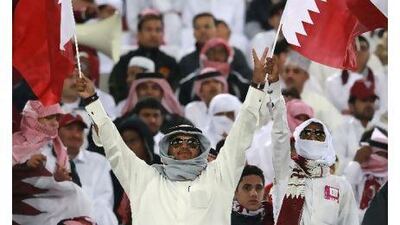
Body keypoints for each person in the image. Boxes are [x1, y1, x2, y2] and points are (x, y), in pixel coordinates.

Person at [74, 48, 273, 225]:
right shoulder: (144, 178)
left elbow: (240, 136)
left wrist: (256, 85)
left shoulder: (219, 176)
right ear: (166, 149)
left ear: (202, 149)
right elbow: (114, 146)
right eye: (177, 142)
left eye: (191, 142)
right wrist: (92, 101)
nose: (184, 146)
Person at [266, 62, 359, 224]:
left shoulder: (340, 185)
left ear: (327, 142)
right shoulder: (284, 172)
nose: (312, 137)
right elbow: (279, 133)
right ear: (297, 140)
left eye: (318, 134)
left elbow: (349, 221)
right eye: (306, 133)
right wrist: (274, 86)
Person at [12, 100, 94, 225]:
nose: (55, 123)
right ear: (32, 118)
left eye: (57, 119)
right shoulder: (12, 143)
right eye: (49, 118)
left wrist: (61, 179)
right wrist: (26, 167)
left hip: (57, 218)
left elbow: (74, 191)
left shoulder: (59, 150)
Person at [58, 112, 118, 225]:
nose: (75, 135)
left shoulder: (99, 161)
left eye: (79, 130)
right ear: (57, 132)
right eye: (69, 128)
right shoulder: (47, 160)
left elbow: (103, 201)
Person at [109, 13, 181, 103]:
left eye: (158, 30)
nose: (153, 34)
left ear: (163, 34)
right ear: (139, 34)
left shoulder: (170, 62)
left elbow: (172, 91)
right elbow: (115, 88)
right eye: (148, 29)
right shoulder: (125, 61)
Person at [281, 50, 343, 132]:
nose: (290, 75)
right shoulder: (275, 98)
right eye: (287, 71)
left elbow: (337, 126)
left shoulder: (319, 102)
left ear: (306, 76)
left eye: (296, 71)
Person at [179, 13, 251, 79]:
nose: (202, 31)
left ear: (216, 30)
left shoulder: (235, 55)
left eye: (207, 27)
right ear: (193, 33)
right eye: (197, 28)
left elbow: (247, 80)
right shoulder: (186, 61)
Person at [178, 38, 250, 105]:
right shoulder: (189, 83)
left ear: (228, 56)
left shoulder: (237, 82)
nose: (216, 55)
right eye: (212, 52)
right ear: (205, 55)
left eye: (221, 52)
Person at [334, 79, 379, 174]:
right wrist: (356, 161)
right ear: (351, 105)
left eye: (372, 100)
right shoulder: (341, 130)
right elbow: (334, 165)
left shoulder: (383, 129)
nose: (369, 104)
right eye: (364, 100)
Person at [343, 127, 388, 220]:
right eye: (378, 153)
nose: (381, 158)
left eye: (385, 154)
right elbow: (343, 198)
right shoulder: (354, 171)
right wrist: (356, 163)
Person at [118, 72, 183, 117]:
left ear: (162, 93)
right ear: (136, 92)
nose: (149, 92)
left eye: (155, 88)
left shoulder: (178, 122)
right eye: (144, 88)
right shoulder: (123, 122)